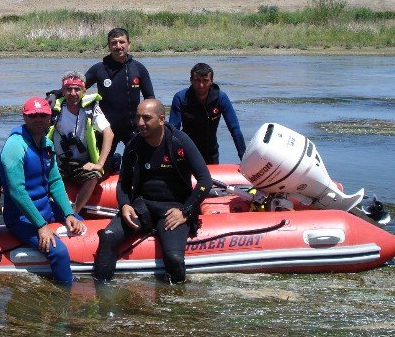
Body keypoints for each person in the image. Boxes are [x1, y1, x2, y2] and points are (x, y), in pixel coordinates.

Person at [93, 99, 212, 284]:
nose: (140, 123)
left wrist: (186, 212)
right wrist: (124, 205)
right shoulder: (134, 145)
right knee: (108, 237)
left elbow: (205, 180)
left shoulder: (179, 141)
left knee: (174, 258)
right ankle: (101, 295)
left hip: (174, 209)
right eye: (138, 117)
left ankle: (176, 301)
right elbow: (123, 183)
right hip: (142, 207)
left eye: (146, 118)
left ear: (161, 119)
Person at [0, 97, 84, 285]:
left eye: (43, 115)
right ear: (24, 117)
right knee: (59, 252)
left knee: (81, 224)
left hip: (47, 208)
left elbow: (55, 181)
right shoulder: (15, 146)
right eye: (33, 115)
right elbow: (16, 191)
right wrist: (40, 225)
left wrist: (68, 212)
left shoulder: (47, 144)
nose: (38, 119)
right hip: (21, 217)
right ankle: (66, 296)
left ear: (49, 118)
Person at [47, 71, 114, 214]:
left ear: (84, 90)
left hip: (82, 164)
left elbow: (109, 133)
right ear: (63, 91)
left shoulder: (90, 108)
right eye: (68, 89)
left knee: (94, 176)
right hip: (58, 163)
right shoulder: (54, 109)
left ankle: (74, 212)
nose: (73, 93)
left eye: (77, 89)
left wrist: (99, 164)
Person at [85, 28, 155, 156]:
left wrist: (149, 123)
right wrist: (55, 94)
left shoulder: (138, 68)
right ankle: (115, 162)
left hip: (133, 128)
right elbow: (76, 88)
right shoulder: (99, 69)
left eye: (122, 42)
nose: (118, 46)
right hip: (106, 129)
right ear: (109, 46)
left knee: (140, 167)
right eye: (114, 43)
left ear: (129, 44)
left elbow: (150, 98)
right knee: (102, 171)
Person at [169, 63, 246, 164]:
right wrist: (170, 157)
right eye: (197, 80)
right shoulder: (181, 98)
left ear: (211, 81)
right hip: (186, 153)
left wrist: (244, 158)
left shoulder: (221, 98)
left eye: (205, 81)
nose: (201, 85)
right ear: (191, 80)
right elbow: (173, 131)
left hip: (211, 153)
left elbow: (234, 129)